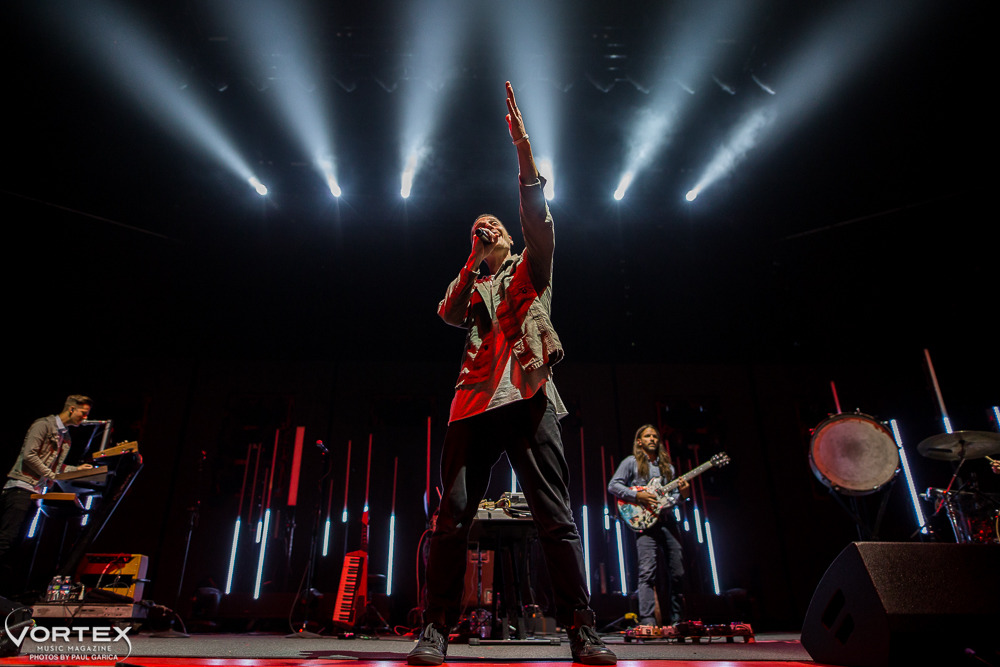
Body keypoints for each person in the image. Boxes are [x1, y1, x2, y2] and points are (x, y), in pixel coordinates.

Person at [407, 82, 615, 666]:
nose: (488, 227)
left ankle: (581, 627)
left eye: (493, 224)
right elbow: (445, 313)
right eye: (479, 228)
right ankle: (436, 629)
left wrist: (524, 151)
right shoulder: (470, 288)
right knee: (451, 521)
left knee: (555, 518)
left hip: (527, 396)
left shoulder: (529, 271)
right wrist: (471, 262)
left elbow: (535, 217)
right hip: (472, 405)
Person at [0, 395, 94, 592]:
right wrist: (51, 474)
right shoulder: (43, 425)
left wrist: (77, 470)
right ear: (71, 409)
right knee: (7, 539)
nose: (84, 418)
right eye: (83, 413)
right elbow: (29, 455)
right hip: (20, 487)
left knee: (18, 544)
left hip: (35, 493)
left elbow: (56, 468)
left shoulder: (65, 437)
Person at [608, 424, 690, 627]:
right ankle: (648, 621)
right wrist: (638, 495)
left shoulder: (667, 468)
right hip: (644, 523)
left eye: (655, 436)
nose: (652, 439)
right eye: (647, 436)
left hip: (668, 521)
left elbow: (671, 499)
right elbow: (614, 485)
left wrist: (683, 496)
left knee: (678, 571)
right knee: (647, 571)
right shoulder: (631, 462)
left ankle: (677, 621)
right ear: (639, 441)